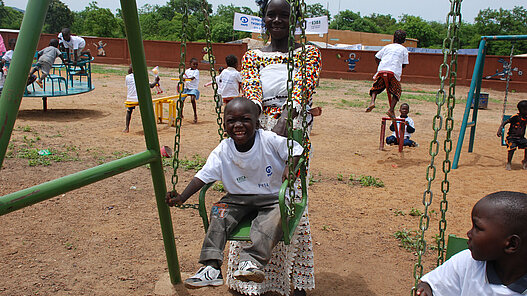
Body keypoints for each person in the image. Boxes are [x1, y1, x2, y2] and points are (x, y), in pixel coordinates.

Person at [228, 0, 321, 295]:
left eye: (284, 14)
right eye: (272, 15)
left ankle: (294, 278)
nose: (277, 20)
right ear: (264, 19)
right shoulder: (253, 55)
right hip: (260, 126)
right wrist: (255, 129)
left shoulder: (309, 53)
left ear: (294, 19)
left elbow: (303, 88)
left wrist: (284, 120)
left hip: (293, 129)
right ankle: (248, 274)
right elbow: (252, 91)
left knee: (288, 199)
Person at [166, 97, 303, 289]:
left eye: (245, 120)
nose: (238, 125)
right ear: (225, 125)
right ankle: (211, 267)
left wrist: (290, 165)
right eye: (231, 121)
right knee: (219, 212)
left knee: (273, 219)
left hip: (271, 198)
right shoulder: (223, 150)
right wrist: (182, 196)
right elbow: (203, 176)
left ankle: (251, 262)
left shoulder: (269, 140)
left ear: (257, 123)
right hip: (237, 199)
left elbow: (295, 149)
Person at [416, 191, 527, 296]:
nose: (469, 233)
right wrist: (426, 289)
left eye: (478, 228)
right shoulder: (467, 262)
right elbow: (433, 285)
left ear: (511, 244)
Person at [366, 30, 409, 118]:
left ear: (393, 38)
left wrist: (381, 65)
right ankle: (391, 109)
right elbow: (404, 64)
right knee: (397, 90)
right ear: (404, 40)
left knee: (376, 87)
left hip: (382, 70)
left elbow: (377, 57)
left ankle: (372, 102)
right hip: (393, 72)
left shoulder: (387, 47)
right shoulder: (404, 50)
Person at [123, 64, 160, 133]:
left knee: (129, 111)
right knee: (146, 110)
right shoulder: (142, 76)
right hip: (139, 99)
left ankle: (127, 128)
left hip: (130, 98)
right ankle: (149, 128)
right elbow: (151, 86)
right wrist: (156, 81)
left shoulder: (127, 77)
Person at [497, 100, 527, 170]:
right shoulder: (515, 117)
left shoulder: (526, 117)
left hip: (521, 138)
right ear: (521, 110)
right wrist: (500, 129)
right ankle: (509, 162)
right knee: (512, 147)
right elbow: (505, 122)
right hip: (511, 138)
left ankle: (525, 161)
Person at [181, 57, 200, 123]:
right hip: (186, 88)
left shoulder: (196, 71)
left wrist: (187, 78)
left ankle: (195, 115)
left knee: (192, 99)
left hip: (193, 88)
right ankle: (180, 113)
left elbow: (192, 78)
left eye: (196, 64)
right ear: (190, 64)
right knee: (181, 100)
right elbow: (183, 77)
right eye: (194, 64)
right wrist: (182, 78)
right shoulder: (187, 71)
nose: (195, 66)